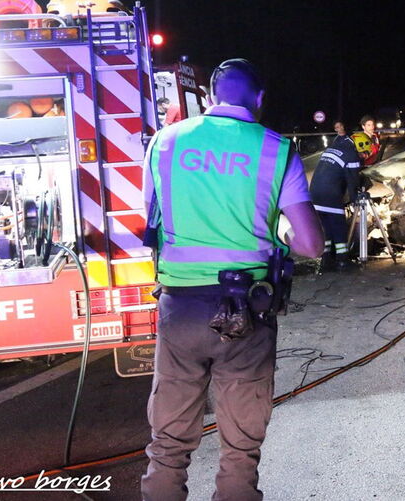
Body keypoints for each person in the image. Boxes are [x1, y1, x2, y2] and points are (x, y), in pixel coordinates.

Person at [140, 58, 324, 501]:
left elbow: (152, 221)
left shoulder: (164, 142)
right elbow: (311, 245)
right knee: (240, 448)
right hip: (247, 313)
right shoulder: (276, 150)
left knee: (167, 445)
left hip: (180, 308)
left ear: (209, 96)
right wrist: (277, 234)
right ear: (259, 99)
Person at [309, 131, 364, 271]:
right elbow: (353, 182)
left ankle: (326, 259)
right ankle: (342, 261)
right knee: (339, 227)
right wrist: (354, 198)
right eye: (364, 153)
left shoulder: (334, 148)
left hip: (315, 193)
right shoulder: (351, 154)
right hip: (330, 194)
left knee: (326, 228)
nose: (363, 156)